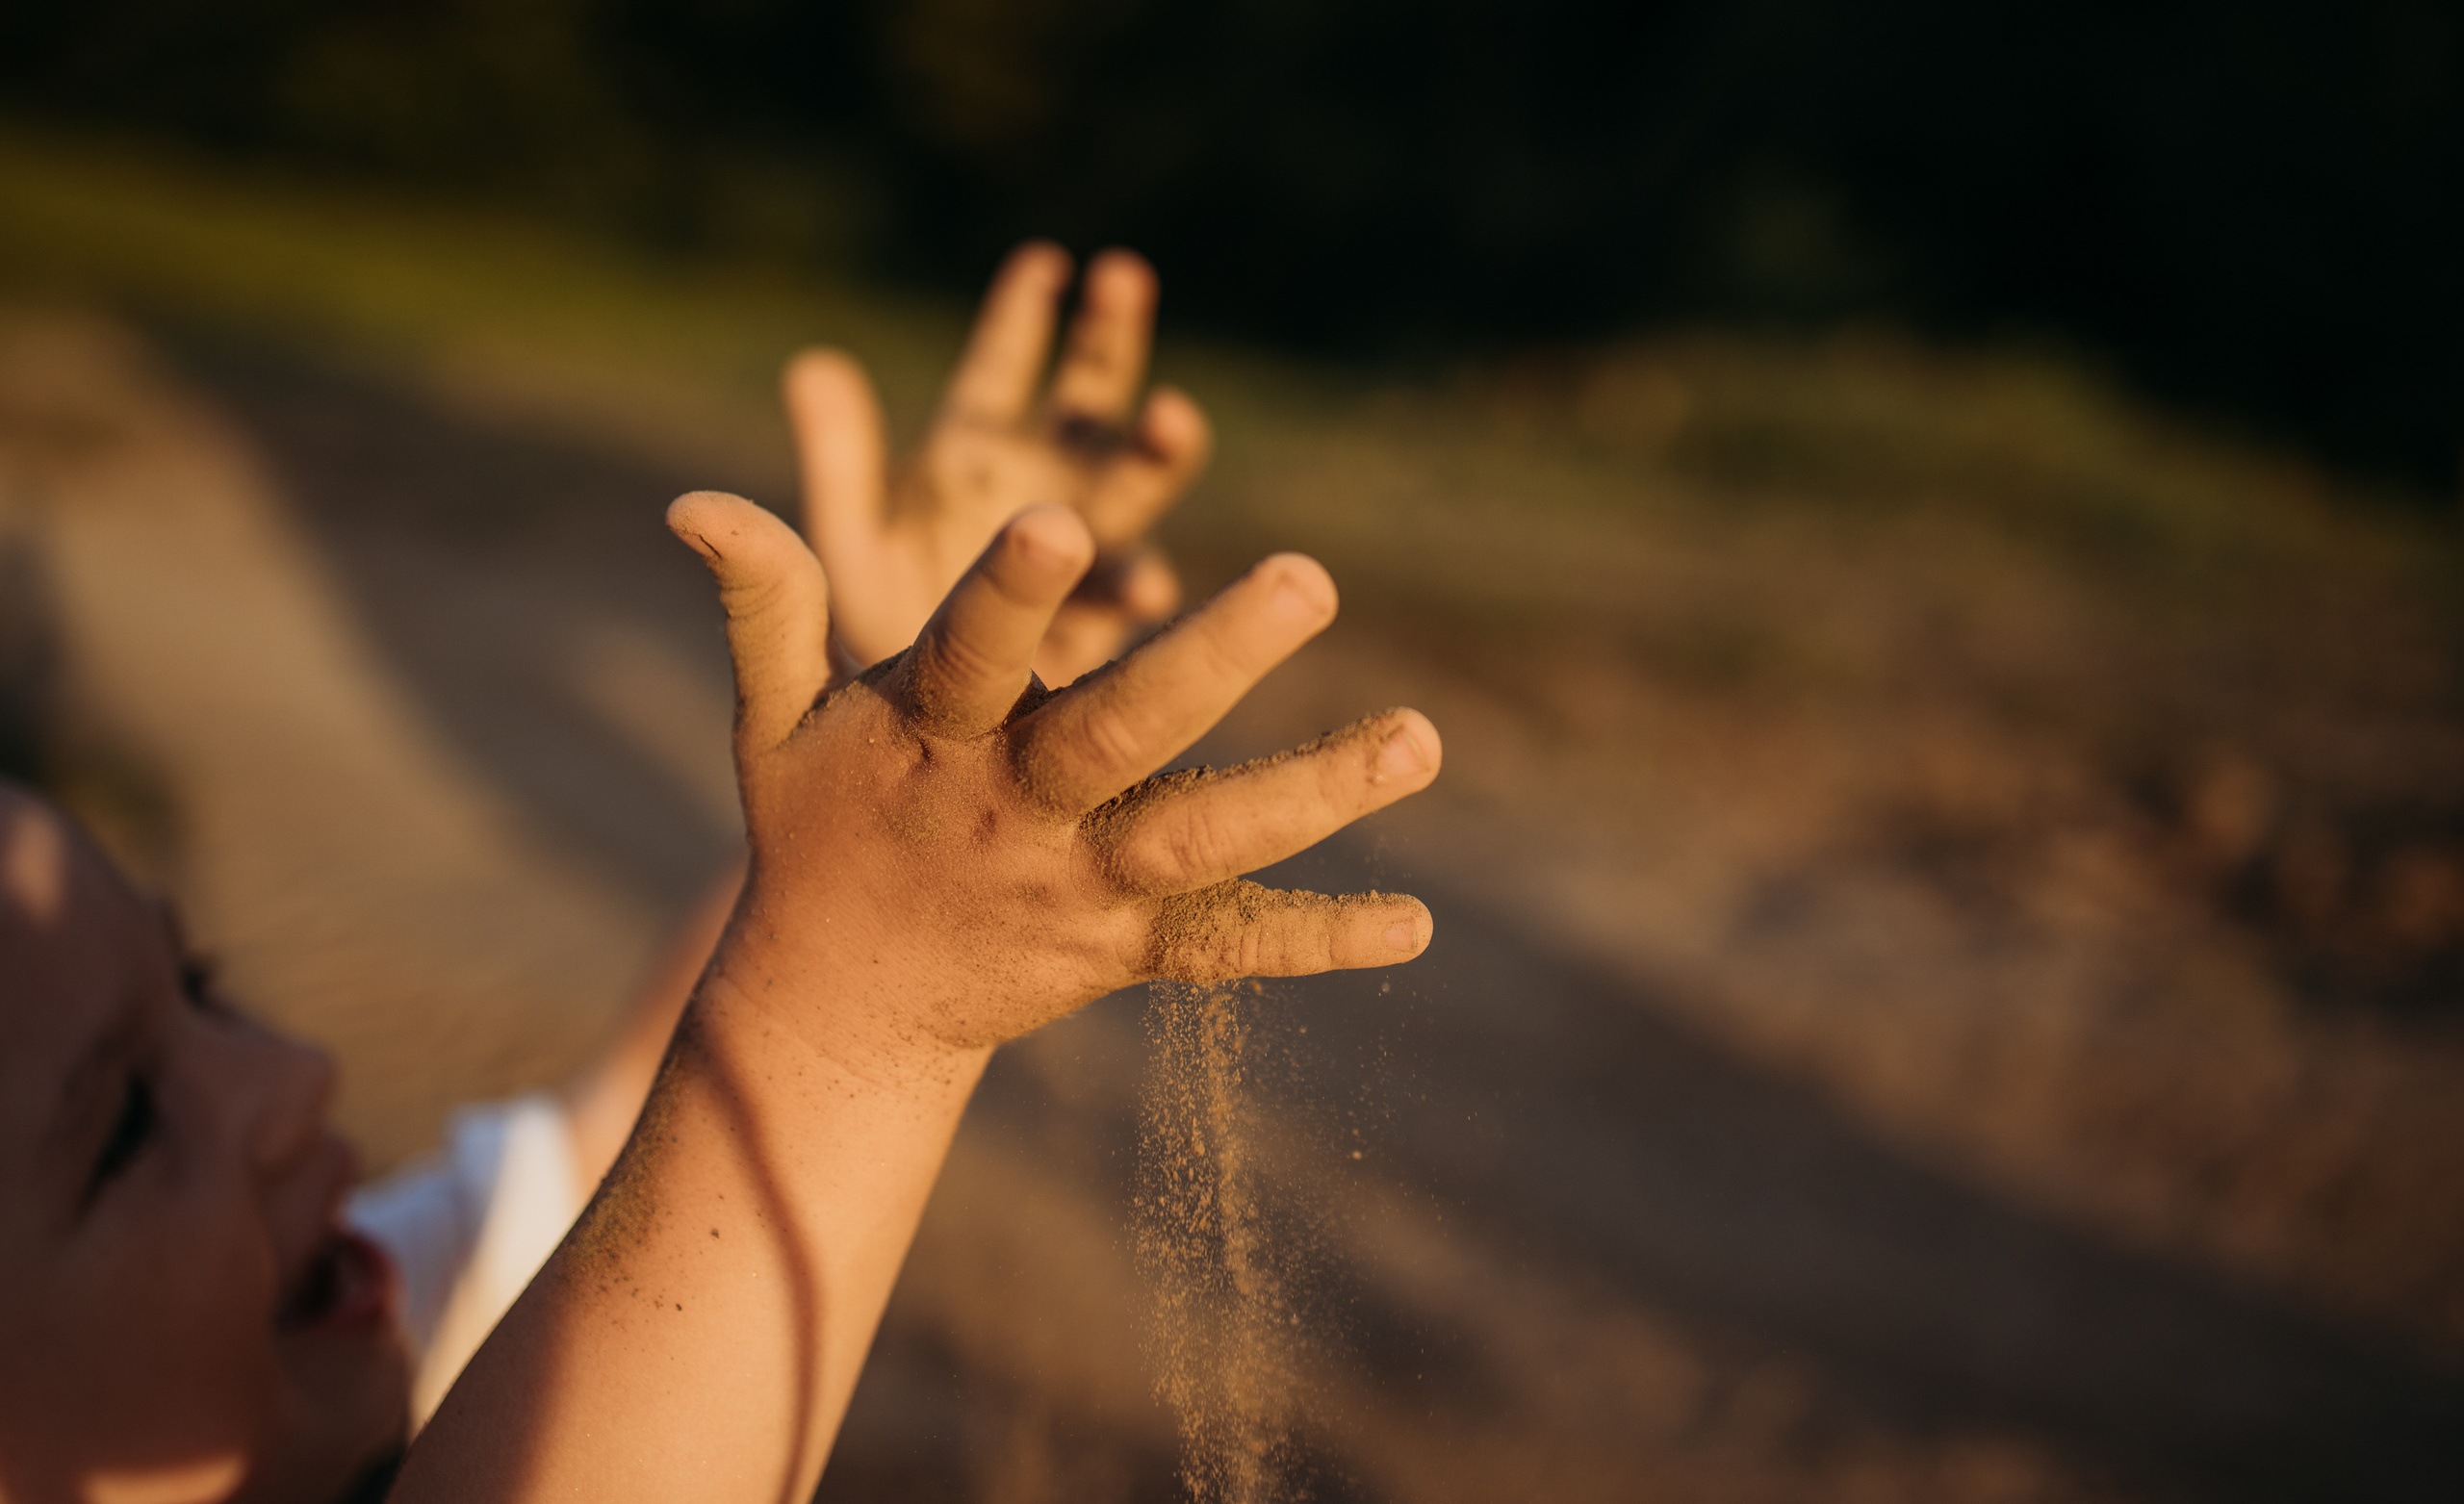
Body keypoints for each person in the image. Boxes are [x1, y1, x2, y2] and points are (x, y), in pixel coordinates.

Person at [0, 244, 1442, 1504]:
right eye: (125, 1126)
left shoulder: (349, 1295)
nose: (289, 1076)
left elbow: (640, 1169)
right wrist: (852, 1018)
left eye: (201, 991)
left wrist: (895, 752)